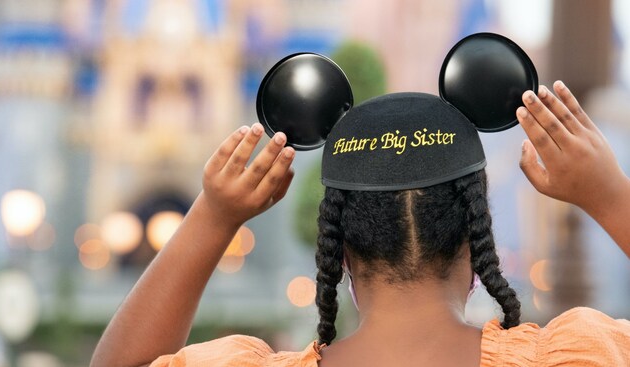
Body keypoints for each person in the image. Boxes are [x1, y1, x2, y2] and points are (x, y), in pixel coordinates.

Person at [91, 81, 630, 367]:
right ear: (477, 244)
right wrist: (607, 194)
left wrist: (213, 216)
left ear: (340, 253)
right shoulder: (579, 356)